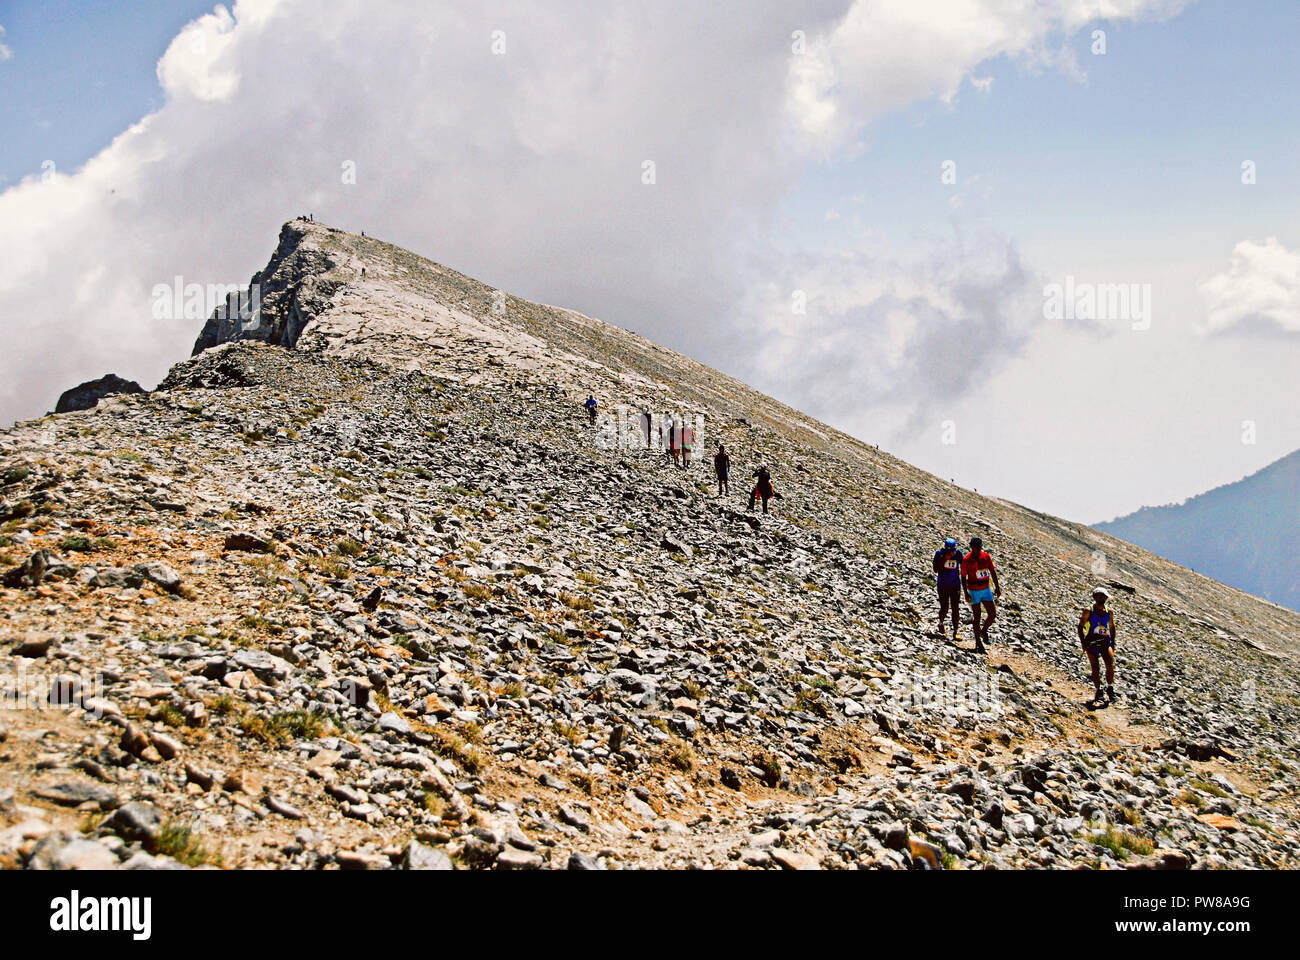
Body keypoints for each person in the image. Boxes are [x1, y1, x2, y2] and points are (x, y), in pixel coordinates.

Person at [961, 536, 1000, 652]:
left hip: (986, 589)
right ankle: (978, 641)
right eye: (975, 547)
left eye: (979, 547)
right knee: (977, 616)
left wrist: (997, 587)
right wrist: (966, 593)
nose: (978, 549)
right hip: (973, 591)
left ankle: (984, 631)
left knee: (992, 614)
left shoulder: (986, 556)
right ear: (971, 547)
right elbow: (963, 577)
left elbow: (992, 571)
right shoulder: (966, 559)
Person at [1078, 587, 1118, 704]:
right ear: (1095, 597)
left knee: (1110, 665)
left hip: (1105, 640)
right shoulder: (1088, 611)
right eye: (1099, 596)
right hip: (1091, 641)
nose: (1102, 598)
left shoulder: (1109, 611)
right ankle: (1098, 690)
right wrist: (1083, 642)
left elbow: (1112, 626)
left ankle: (1109, 688)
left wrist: (1113, 641)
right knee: (1095, 668)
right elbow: (1080, 626)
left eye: (1104, 596)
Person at [932, 537, 964, 640]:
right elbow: (935, 569)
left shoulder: (958, 554)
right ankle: (941, 623)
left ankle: (955, 631)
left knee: (955, 608)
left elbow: (964, 565)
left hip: (955, 585)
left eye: (952, 550)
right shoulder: (939, 554)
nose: (951, 552)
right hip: (943, 585)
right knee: (944, 607)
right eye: (949, 550)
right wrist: (945, 558)